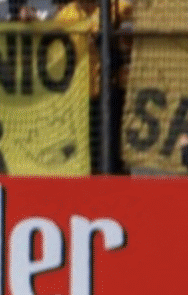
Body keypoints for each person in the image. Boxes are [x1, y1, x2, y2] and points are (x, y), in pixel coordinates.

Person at [53, 0, 132, 173]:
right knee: (87, 148)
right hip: (80, 96)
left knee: (114, 147)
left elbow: (135, 20)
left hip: (111, 91)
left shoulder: (116, 8)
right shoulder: (65, 16)